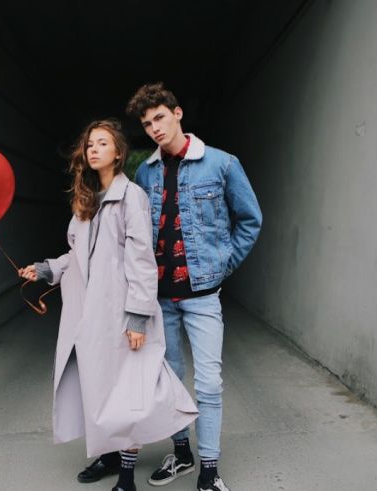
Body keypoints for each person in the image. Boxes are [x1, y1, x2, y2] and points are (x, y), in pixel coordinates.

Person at [19, 119, 198, 491]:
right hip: (89, 316)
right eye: (89, 145)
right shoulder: (86, 202)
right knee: (98, 390)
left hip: (122, 314)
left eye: (102, 143)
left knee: (131, 393)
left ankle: (129, 477)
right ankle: (111, 455)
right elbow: (76, 255)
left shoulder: (131, 197)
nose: (93, 149)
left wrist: (136, 317)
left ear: (118, 153)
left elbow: (142, 262)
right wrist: (45, 270)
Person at [124, 82, 263, 491]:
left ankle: (210, 470)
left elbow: (250, 219)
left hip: (203, 297)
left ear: (178, 113)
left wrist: (222, 267)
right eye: (147, 124)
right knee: (169, 380)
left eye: (160, 118)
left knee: (208, 383)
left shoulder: (221, 164)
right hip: (160, 299)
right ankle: (181, 453)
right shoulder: (146, 171)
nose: (154, 129)